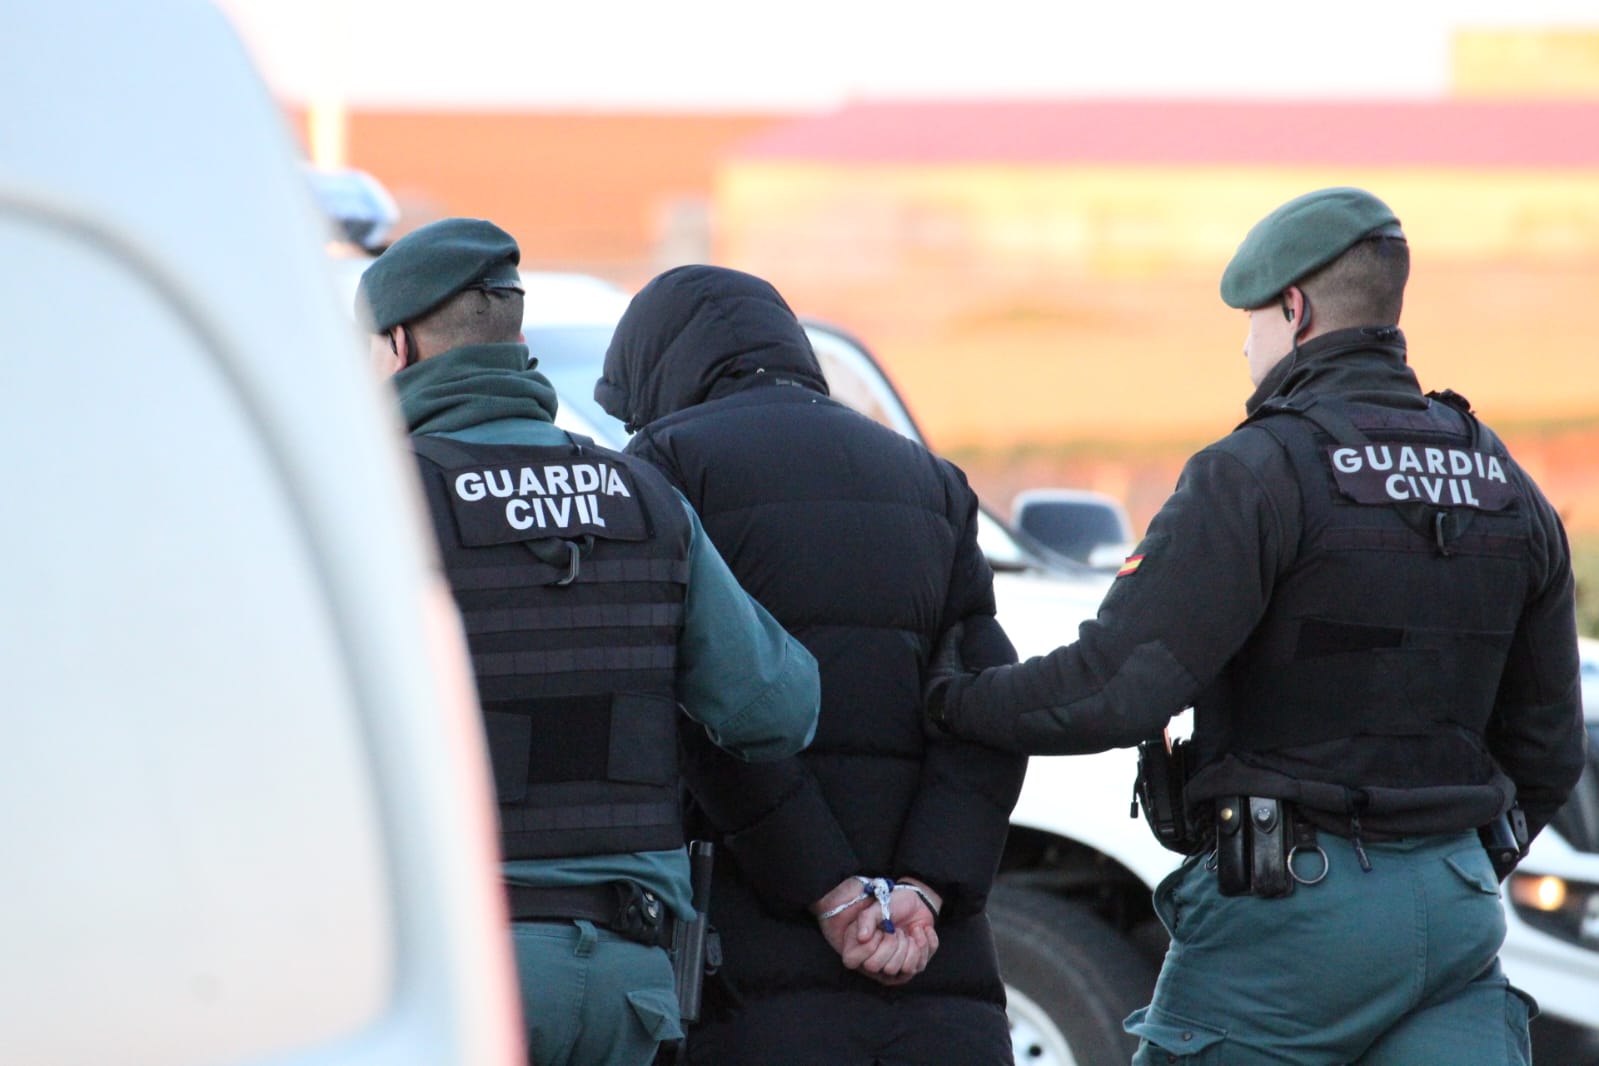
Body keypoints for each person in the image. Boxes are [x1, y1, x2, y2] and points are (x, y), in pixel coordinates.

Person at [924, 187, 1588, 1065]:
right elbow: (1544, 746)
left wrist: (947, 700)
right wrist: (1447, 861)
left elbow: (1113, 688)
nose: (1245, 346)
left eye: (1249, 321)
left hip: (1290, 926)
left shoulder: (1258, 471)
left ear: (1293, 308)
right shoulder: (1498, 478)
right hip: (1456, 912)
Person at [357, 219, 821, 1066]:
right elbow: (778, 710)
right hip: (627, 985)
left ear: (396, 346)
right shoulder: (641, 493)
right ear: (516, 336)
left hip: (465, 975)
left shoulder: (382, 502)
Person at [596, 265, 1026, 1066]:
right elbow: (985, 713)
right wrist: (921, 891)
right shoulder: (928, 480)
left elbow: (701, 713)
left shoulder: (665, 466)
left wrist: (829, 890)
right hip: (929, 968)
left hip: (747, 964)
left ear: (659, 367)